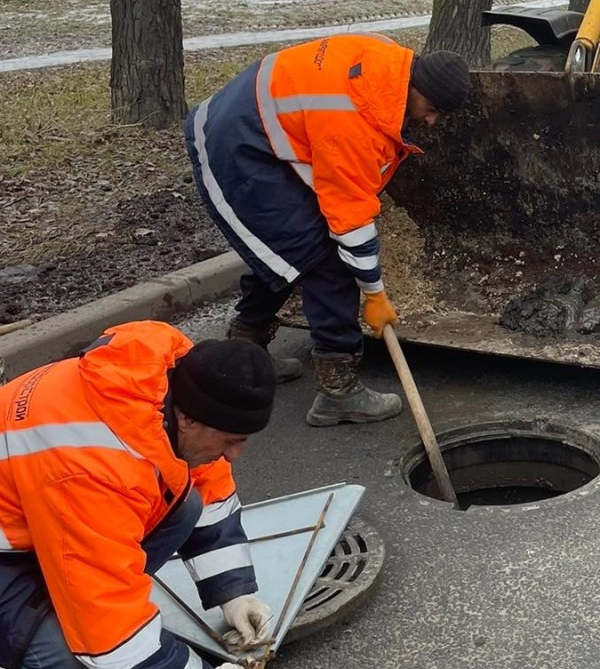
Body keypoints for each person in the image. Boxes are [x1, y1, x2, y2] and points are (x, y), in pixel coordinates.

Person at [185, 34, 472, 427]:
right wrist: (374, 293)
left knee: (287, 251)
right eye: (432, 108)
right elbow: (349, 220)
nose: (431, 120)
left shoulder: (388, 67)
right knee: (322, 258)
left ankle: (244, 349)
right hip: (237, 147)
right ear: (414, 87)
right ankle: (338, 392)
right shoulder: (352, 119)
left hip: (257, 125)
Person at [0, 320, 276, 669]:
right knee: (59, 662)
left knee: (184, 502)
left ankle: (71, 627)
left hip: (24, 526)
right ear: (189, 420)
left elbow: (209, 491)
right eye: (230, 441)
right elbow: (102, 604)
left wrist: (234, 593)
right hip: (2, 553)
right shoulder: (91, 466)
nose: (234, 454)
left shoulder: (164, 388)